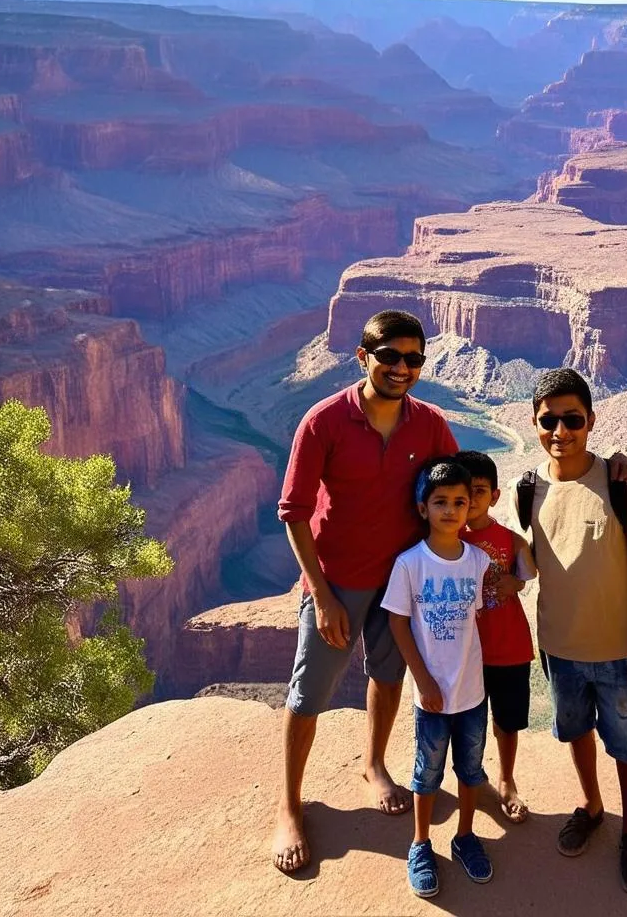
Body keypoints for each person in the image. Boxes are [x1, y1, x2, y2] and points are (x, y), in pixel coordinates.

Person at [272, 310, 458, 873]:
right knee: (310, 691)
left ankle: (374, 764)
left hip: (401, 578)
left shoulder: (428, 423)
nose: (403, 368)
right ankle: (288, 805)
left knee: (388, 673)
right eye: (391, 357)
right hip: (338, 581)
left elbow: (467, 483)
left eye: (414, 360)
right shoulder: (323, 421)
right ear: (362, 357)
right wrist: (322, 595)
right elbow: (294, 512)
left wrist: (589, 467)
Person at [507, 367, 627, 896]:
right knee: (575, 733)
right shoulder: (526, 489)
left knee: (626, 745)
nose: (561, 430)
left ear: (591, 421)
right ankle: (592, 807)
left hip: (619, 650)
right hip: (559, 649)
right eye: (549, 420)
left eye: (572, 419)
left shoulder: (625, 486)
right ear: (534, 422)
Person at [383, 458, 493, 898]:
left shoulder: (478, 561)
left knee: (470, 770)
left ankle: (465, 835)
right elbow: (397, 624)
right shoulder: (410, 564)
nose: (451, 510)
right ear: (423, 508)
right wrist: (423, 680)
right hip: (429, 696)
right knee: (426, 773)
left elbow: (480, 612)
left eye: (459, 502)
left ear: (470, 508)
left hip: (472, 693)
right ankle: (420, 843)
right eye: (440, 501)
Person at [454, 449, 536, 824]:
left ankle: (506, 779)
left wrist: (517, 580)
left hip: (508, 647)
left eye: (480, 491)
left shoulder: (510, 539)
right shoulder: (447, 538)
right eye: (464, 493)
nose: (471, 501)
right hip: (465, 651)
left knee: (506, 721)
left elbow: (531, 572)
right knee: (468, 722)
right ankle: (471, 780)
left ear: (495, 496)